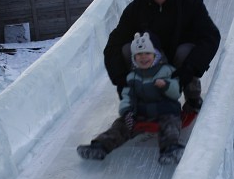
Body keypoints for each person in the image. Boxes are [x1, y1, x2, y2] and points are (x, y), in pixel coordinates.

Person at [103, 0, 221, 118]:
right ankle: (138, 100)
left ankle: (193, 98)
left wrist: (189, 70)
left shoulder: (191, 4)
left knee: (186, 50)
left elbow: (211, 37)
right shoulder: (135, 10)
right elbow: (112, 46)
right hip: (149, 66)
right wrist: (121, 79)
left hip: (179, 66)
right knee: (126, 48)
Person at [77, 31, 184, 164]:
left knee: (170, 124)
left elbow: (176, 92)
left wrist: (166, 85)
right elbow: (127, 95)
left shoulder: (167, 70)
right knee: (120, 126)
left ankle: (170, 149)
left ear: (155, 54)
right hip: (141, 113)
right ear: (134, 57)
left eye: (147, 53)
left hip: (165, 110)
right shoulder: (132, 76)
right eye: (139, 54)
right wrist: (127, 111)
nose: (143, 57)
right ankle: (100, 146)